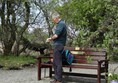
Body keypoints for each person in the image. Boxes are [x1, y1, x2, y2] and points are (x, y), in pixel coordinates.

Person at [46, 12, 67, 83]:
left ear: (56, 18)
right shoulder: (61, 24)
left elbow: (56, 35)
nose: (53, 21)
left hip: (59, 45)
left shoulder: (61, 24)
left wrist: (50, 39)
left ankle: (59, 80)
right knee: (55, 63)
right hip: (58, 45)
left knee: (57, 63)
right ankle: (56, 79)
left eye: (53, 19)